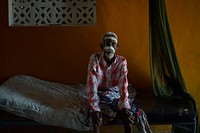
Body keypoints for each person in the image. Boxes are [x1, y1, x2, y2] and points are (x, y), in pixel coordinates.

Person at [85, 32, 152, 133]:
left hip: (113, 93)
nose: (110, 47)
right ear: (102, 46)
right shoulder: (95, 58)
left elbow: (123, 85)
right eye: (107, 44)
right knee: (96, 119)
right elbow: (91, 85)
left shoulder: (122, 61)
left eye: (113, 44)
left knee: (128, 115)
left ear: (117, 47)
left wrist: (124, 106)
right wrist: (95, 109)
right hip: (98, 93)